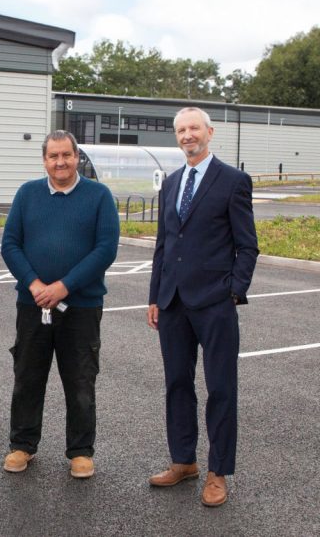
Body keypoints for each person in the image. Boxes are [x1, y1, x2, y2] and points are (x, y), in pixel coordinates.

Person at [147, 107, 258, 507]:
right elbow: (164, 245)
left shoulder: (232, 181)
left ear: (209, 132)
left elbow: (247, 245)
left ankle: (217, 472)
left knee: (221, 389)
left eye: (194, 128)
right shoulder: (173, 182)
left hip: (214, 303)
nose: (187, 135)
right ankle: (183, 461)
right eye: (181, 130)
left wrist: (233, 290)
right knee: (177, 384)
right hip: (173, 302)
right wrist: (155, 296)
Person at [0, 130, 119, 478]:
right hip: (32, 303)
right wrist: (37, 285)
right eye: (53, 156)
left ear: (76, 156)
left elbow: (105, 250)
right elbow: (10, 245)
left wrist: (64, 287)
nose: (60, 162)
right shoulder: (27, 194)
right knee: (27, 376)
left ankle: (80, 451)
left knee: (81, 379)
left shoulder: (99, 196)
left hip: (81, 307)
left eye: (66, 155)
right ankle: (22, 446)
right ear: (44, 159)